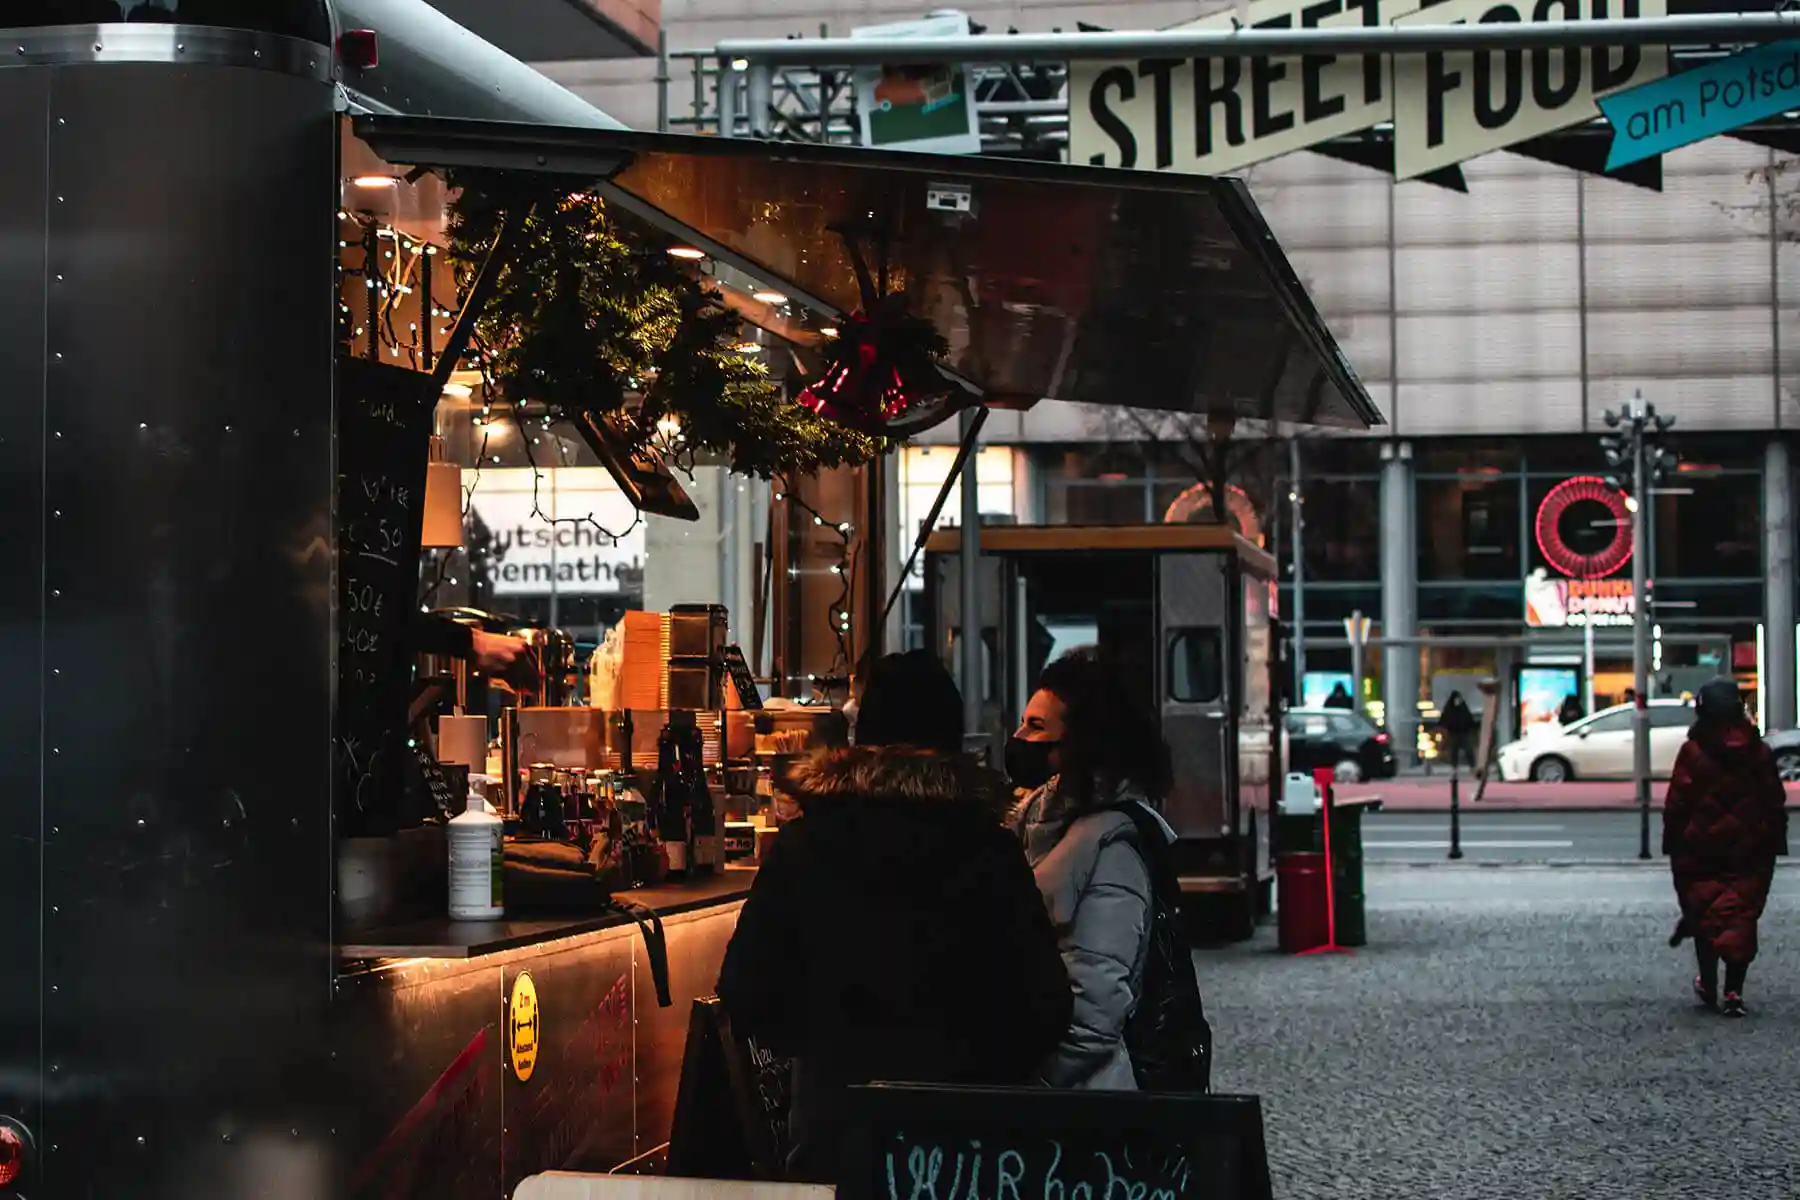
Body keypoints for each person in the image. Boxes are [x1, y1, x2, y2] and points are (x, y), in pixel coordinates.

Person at [716, 651, 1071, 1182]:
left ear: (863, 740)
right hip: (965, 1153)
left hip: (834, 1137)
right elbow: (1045, 1005)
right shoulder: (988, 850)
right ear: (952, 744)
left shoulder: (806, 845)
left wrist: (827, 1044)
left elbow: (745, 992)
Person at [1008, 650, 1175, 1090]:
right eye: (1023, 722)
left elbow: (1095, 1014)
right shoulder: (1035, 823)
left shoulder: (1112, 846)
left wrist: (1024, 1087)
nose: (1019, 736)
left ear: (1083, 742)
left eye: (1037, 727)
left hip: (1084, 1112)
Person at [1662, 678, 1788, 1017]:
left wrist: (1673, 839)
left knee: (1706, 912)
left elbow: (1677, 802)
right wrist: (1773, 839)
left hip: (1700, 849)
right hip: (1750, 849)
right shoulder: (1758, 751)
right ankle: (1734, 991)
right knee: (1740, 915)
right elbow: (1774, 800)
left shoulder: (1693, 752)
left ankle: (1709, 982)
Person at [1435, 691, 1477, 770]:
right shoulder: (1451, 708)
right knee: (1454, 750)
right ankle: (1455, 766)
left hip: (1462, 733)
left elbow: (1468, 718)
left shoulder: (1461, 707)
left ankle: (1471, 765)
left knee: (1467, 750)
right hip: (1454, 733)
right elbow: (1445, 718)